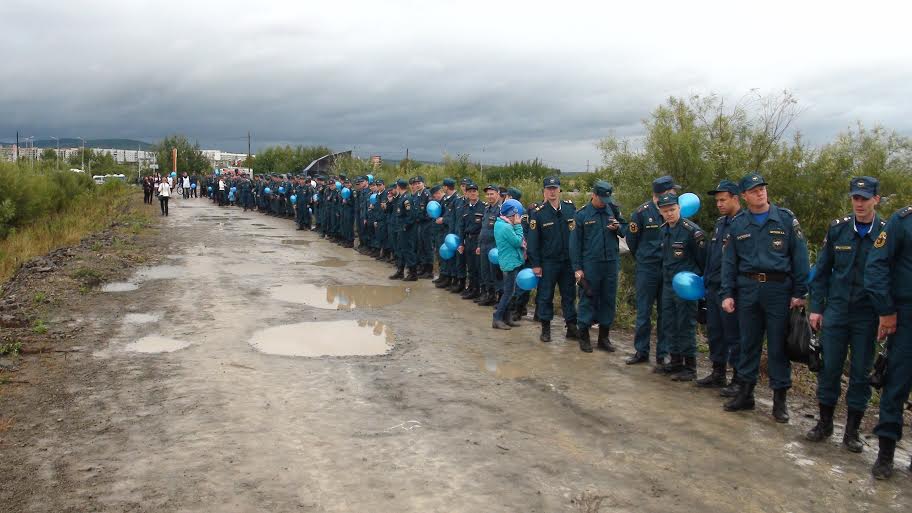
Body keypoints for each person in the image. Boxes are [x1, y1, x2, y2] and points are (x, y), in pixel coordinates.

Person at [721, 172, 810, 422]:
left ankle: (779, 401)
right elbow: (729, 262)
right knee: (748, 343)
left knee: (778, 346)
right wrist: (727, 293)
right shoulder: (738, 224)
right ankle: (746, 393)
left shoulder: (785, 219)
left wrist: (799, 292)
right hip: (748, 289)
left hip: (778, 290)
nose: (760, 192)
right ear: (745, 196)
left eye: (762, 188)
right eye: (754, 190)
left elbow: (800, 257)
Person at [806, 176, 884, 453]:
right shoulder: (838, 230)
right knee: (829, 369)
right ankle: (824, 423)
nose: (859, 203)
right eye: (855, 198)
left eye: (865, 198)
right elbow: (821, 271)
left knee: (861, 373)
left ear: (876, 199)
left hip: (868, 316)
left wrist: (887, 316)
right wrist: (816, 308)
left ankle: (851, 432)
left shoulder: (886, 234)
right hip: (836, 311)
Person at [865, 202, 912, 479]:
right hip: (905, 317)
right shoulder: (902, 221)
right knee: (896, 385)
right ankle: (885, 455)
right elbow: (877, 265)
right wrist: (886, 310)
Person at [625, 176, 678, 367]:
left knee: (665, 312)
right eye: (672, 190)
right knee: (644, 311)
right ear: (662, 192)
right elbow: (631, 240)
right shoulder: (641, 213)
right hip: (647, 269)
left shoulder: (674, 210)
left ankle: (662, 353)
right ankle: (641, 350)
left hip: (667, 269)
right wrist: (643, 257)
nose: (675, 193)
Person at [569, 181, 625, 353]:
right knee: (588, 298)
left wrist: (618, 227)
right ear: (593, 195)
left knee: (608, 299)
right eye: (602, 198)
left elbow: (626, 230)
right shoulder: (582, 215)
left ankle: (604, 337)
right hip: (590, 264)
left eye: (607, 198)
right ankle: (584, 336)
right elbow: (574, 245)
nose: (604, 202)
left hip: (610, 263)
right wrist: (577, 268)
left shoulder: (612, 209)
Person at [698, 180, 743, 392]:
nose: (719, 204)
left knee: (733, 335)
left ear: (736, 198)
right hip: (714, 286)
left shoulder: (743, 224)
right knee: (715, 332)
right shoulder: (720, 223)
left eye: (723, 200)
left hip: (732, 290)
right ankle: (718, 372)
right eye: (717, 201)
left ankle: (738, 379)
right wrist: (705, 281)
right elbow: (712, 256)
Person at [657, 192, 706, 381]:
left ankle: (690, 367)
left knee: (686, 324)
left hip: (686, 286)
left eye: (672, 210)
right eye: (665, 211)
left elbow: (703, 261)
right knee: (669, 323)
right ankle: (675, 361)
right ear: (661, 212)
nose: (669, 214)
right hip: (669, 284)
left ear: (679, 208)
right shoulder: (664, 230)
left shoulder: (692, 232)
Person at [527, 176, 578, 343]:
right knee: (545, 295)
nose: (552, 191)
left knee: (569, 295)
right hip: (548, 263)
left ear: (559, 190)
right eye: (549, 189)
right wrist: (535, 264)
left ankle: (571, 327)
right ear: (544, 191)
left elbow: (577, 236)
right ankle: (546, 328)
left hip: (568, 262)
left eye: (554, 188)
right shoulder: (538, 213)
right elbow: (533, 242)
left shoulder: (570, 209)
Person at [492, 199, 526, 330]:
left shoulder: (499, 223)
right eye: (514, 216)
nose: (516, 218)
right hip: (509, 263)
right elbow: (517, 241)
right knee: (508, 293)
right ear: (509, 215)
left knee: (509, 291)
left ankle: (507, 318)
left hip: (508, 261)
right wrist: (518, 226)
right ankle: (497, 317)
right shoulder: (506, 227)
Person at [457, 182, 484, 299]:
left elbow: (484, 227)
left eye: (474, 191)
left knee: (478, 266)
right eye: (470, 191)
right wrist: (460, 243)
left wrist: (479, 244)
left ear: (477, 193)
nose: (472, 193)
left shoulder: (483, 207)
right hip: (468, 240)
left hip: (478, 240)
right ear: (466, 193)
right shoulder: (464, 208)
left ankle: (478, 290)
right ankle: (472, 287)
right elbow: (461, 226)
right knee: (470, 266)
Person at [477, 185, 503, 306]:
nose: (489, 196)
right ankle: (490, 295)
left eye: (492, 194)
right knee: (485, 272)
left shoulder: (501, 209)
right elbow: (483, 228)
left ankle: (500, 298)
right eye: (487, 194)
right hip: (484, 245)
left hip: (495, 246)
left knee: (496, 273)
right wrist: (479, 245)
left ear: (498, 194)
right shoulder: (487, 209)